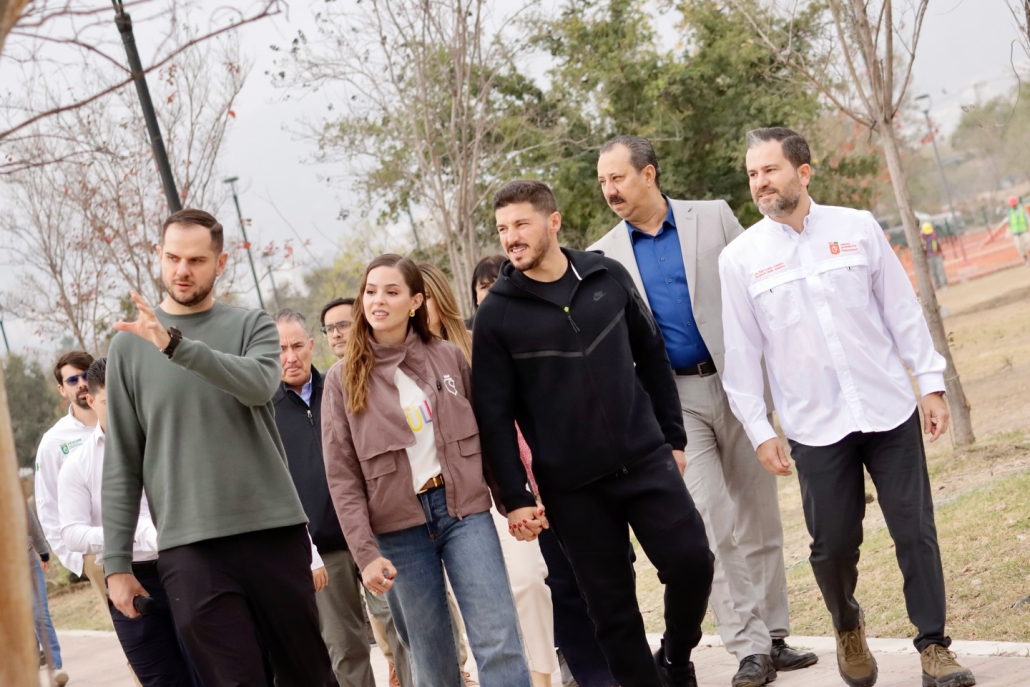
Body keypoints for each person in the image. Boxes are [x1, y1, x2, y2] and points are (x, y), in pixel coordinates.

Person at [719, 127, 976, 687]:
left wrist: (929, 384)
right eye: (753, 174)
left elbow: (901, 310)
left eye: (770, 170)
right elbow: (741, 353)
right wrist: (760, 429)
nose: (760, 183)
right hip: (814, 425)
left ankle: (934, 646)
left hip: (887, 408)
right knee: (833, 546)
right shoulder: (740, 259)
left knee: (915, 531)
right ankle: (847, 625)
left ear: (803, 172)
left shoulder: (857, 228)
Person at [590, 135, 817, 687]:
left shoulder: (712, 216)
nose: (609, 190)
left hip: (740, 385)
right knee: (711, 524)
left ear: (648, 174)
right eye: (602, 182)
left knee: (760, 517)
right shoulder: (603, 256)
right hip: (675, 402)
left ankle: (776, 635)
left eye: (617, 178)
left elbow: (758, 282)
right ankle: (749, 648)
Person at [472, 179, 715, 687]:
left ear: (553, 222)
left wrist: (673, 438)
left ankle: (675, 657)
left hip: (645, 459)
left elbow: (652, 355)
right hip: (572, 489)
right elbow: (493, 416)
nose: (511, 237)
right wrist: (516, 496)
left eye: (521, 224)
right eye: (502, 229)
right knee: (612, 611)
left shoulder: (606, 275)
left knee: (693, 563)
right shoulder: (497, 314)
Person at [102, 208, 337, 687]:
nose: (182, 270)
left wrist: (175, 346)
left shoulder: (253, 326)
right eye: (172, 258)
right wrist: (116, 564)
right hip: (190, 549)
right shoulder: (127, 349)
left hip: (273, 532)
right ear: (159, 255)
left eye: (196, 260)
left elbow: (258, 384)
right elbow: (122, 461)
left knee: (308, 676)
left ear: (220, 262)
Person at [321, 253, 531, 687]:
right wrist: (366, 554)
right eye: (370, 291)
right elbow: (342, 477)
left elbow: (489, 434)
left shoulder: (448, 357)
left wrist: (514, 501)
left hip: (464, 514)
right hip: (397, 532)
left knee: (499, 639)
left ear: (416, 301)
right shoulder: (342, 380)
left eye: (391, 292)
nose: (378, 300)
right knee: (432, 659)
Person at [468, 257, 618, 687]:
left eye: (496, 285)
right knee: (562, 583)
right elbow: (498, 428)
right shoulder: (482, 349)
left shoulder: (542, 328)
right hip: (534, 489)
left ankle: (621, 660)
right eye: (482, 291)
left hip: (578, 472)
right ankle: (590, 672)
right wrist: (520, 491)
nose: (491, 296)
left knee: (608, 574)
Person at [419, 262, 559, 687]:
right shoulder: (400, 367)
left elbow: (511, 421)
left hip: (502, 487)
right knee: (480, 606)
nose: (415, 307)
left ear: (438, 300)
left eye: (423, 297)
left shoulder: (476, 346)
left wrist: (527, 487)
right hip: (452, 501)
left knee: (529, 581)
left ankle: (542, 678)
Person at [59, 358, 201, 687]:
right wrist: (127, 534)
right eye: (112, 402)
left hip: (186, 568)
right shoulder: (78, 464)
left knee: (211, 672)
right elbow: (71, 532)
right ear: (90, 400)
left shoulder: (171, 444)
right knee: (161, 680)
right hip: (129, 579)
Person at [273, 308, 376, 687]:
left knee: (404, 629)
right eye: (280, 349)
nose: (290, 356)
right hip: (322, 552)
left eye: (297, 346)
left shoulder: (341, 386)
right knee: (345, 649)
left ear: (312, 345)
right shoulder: (264, 410)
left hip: (374, 535)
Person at [34, 351, 97, 584]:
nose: (82, 384)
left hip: (150, 542)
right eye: (72, 380)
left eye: (86, 375)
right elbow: (48, 505)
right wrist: (79, 561)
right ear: (62, 389)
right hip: (99, 555)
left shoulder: (124, 419)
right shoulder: (53, 442)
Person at [28, 500, 69, 687]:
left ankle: (55, 667)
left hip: (27, 560)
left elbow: (31, 522)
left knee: (40, 614)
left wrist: (43, 551)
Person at [921, 222, 948, 290]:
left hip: (936, 255)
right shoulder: (922, 238)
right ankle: (938, 285)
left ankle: (944, 284)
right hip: (929, 256)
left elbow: (938, 245)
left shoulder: (934, 235)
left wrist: (941, 253)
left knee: (940, 270)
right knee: (933, 272)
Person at [1006, 196, 1030, 266]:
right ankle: (1026, 260)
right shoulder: (1009, 212)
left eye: (1014, 204)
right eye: (1012, 205)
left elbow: (1027, 218)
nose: (1014, 206)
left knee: (1028, 244)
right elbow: (1009, 221)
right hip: (1015, 233)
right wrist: (1008, 231)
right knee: (1019, 247)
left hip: (1023, 230)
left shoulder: (1022, 209)